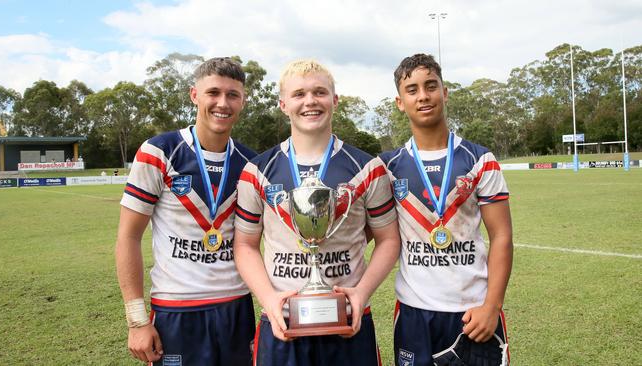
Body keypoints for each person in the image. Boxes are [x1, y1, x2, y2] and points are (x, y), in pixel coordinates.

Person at [233, 59, 400, 366]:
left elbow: (389, 239)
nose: (310, 101)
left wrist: (361, 293)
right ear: (283, 104)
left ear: (334, 100)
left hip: (348, 319)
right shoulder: (257, 171)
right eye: (298, 94)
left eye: (320, 92)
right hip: (282, 321)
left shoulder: (367, 168)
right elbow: (244, 245)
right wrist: (268, 300)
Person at [115, 57, 257, 365]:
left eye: (233, 95)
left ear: (243, 101)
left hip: (236, 307)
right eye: (213, 93)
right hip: (176, 309)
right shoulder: (159, 152)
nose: (223, 103)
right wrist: (137, 321)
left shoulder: (251, 163)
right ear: (195, 95)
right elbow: (128, 237)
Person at [380, 53, 513, 366]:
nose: (423, 96)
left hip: (474, 310)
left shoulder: (480, 160)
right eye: (411, 90)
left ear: (444, 92)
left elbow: (502, 236)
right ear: (400, 102)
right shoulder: (387, 167)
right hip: (413, 311)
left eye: (431, 86)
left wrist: (492, 306)